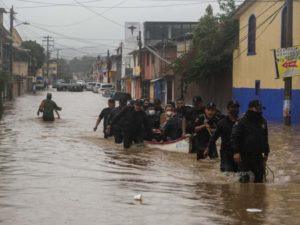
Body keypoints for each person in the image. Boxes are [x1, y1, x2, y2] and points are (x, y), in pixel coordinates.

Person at [231, 100, 270, 183]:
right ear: (250, 109)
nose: (260, 111)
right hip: (244, 157)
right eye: (257, 109)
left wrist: (266, 153)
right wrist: (236, 152)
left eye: (261, 109)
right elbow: (234, 138)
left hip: (258, 157)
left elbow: (265, 138)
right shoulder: (242, 122)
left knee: (259, 182)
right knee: (244, 181)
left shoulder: (263, 122)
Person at [205, 100, 240, 172]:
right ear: (228, 109)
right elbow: (214, 137)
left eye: (236, 107)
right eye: (232, 107)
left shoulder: (241, 123)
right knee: (226, 174)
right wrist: (208, 148)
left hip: (238, 153)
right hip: (226, 153)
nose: (235, 109)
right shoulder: (222, 123)